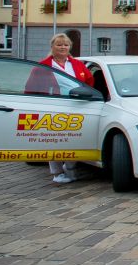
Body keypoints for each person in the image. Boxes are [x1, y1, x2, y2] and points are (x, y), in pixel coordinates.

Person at [38, 33, 95, 185]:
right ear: (52, 47)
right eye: (59, 44)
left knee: (74, 139)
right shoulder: (44, 65)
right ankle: (57, 172)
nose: (63, 47)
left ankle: (70, 167)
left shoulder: (77, 64)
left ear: (70, 47)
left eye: (66, 45)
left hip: (77, 107)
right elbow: (33, 86)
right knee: (55, 141)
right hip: (54, 107)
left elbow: (89, 81)